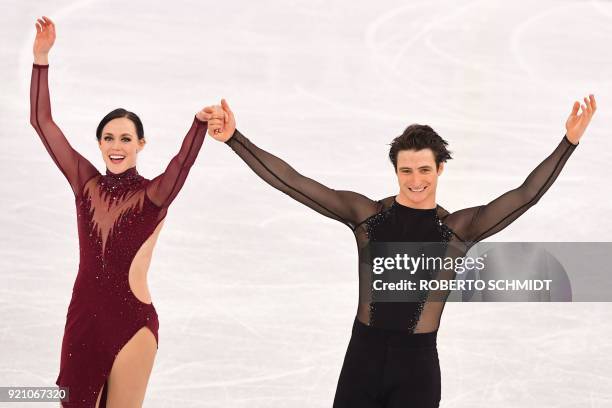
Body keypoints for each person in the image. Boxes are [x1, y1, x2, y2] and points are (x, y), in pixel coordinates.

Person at [202, 96, 596, 408]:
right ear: (395, 171)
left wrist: (568, 143)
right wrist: (235, 138)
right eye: (406, 171)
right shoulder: (366, 217)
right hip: (362, 359)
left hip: (417, 369)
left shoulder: (455, 231)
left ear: (440, 169)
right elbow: (292, 182)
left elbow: (525, 196)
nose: (416, 180)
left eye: (424, 170)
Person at [29, 16, 212, 407]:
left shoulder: (153, 196)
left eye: (126, 138)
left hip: (132, 324)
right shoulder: (86, 184)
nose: (117, 145)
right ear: (98, 143)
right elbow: (42, 123)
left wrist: (197, 125)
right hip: (83, 319)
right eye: (109, 138)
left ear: (140, 144)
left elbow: (181, 165)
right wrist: (40, 60)